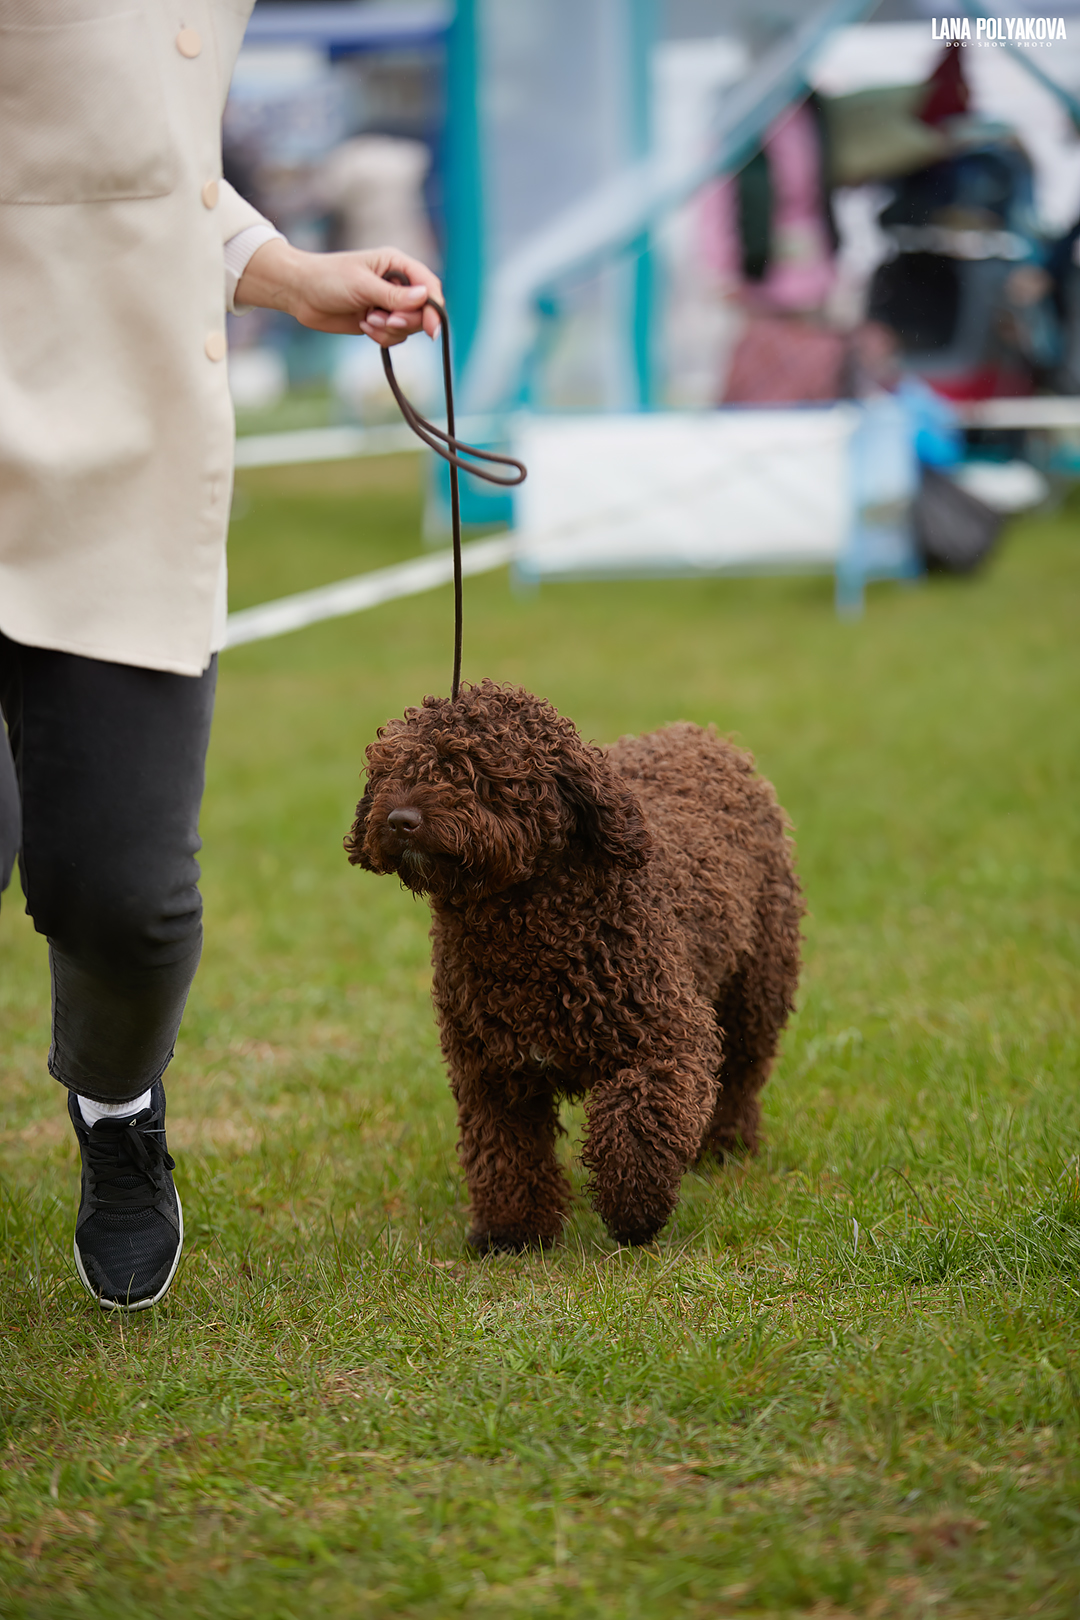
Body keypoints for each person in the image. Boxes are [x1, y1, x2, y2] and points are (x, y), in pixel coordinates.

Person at [0, 2, 442, 1312]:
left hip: (126, 439)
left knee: (128, 901)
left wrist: (285, 269)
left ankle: (118, 1103)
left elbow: (143, 155)